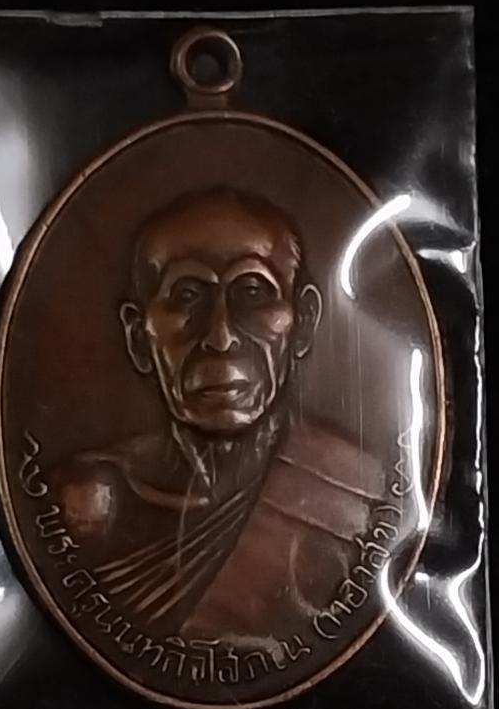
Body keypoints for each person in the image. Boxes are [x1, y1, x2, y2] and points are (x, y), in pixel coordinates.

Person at [50, 187, 384, 641]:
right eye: (187, 295)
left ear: (303, 321)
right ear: (138, 336)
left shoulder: (358, 495)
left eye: (253, 292)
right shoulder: (81, 507)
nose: (221, 337)